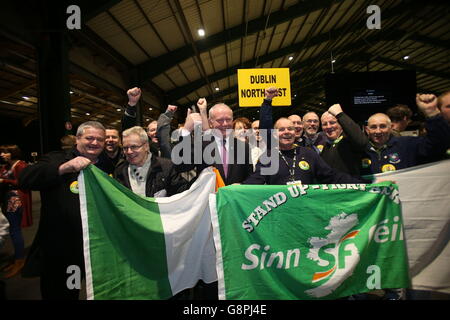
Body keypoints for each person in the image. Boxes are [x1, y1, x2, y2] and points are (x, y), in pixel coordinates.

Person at [19, 121, 109, 299]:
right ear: (78, 138)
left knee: (100, 292)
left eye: (100, 139)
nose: (95, 143)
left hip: (98, 249)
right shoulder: (57, 159)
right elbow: (25, 179)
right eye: (89, 138)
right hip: (66, 253)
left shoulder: (107, 165)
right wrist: (62, 169)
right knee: (67, 292)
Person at [244, 118, 368, 185]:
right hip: (279, 213)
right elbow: (256, 181)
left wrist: (362, 183)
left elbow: (331, 176)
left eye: (290, 129)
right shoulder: (268, 157)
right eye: (281, 129)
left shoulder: (309, 154)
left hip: (306, 211)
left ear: (295, 133)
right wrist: (237, 189)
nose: (286, 132)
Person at [362, 96, 450, 174]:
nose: (378, 131)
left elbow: (438, 144)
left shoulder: (408, 144)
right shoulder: (359, 149)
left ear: (390, 127)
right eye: (373, 127)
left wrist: (432, 114)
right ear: (367, 130)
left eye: (383, 126)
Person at [175, 102, 253, 185]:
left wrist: (242, 185)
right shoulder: (201, 144)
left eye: (228, 119)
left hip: (235, 196)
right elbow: (182, 166)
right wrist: (186, 131)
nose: (225, 124)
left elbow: (250, 175)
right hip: (209, 196)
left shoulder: (243, 146)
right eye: (220, 120)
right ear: (210, 122)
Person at [114, 126, 190, 197]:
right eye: (125, 148)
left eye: (134, 147)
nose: (129, 152)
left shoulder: (166, 167)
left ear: (146, 146)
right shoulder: (120, 170)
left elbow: (182, 193)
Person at [0, 145, 32, 278]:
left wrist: (4, 180)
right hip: (8, 200)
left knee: (14, 229)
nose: (2, 154)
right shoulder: (8, 166)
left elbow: (23, 182)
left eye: (6, 152)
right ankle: (17, 259)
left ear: (13, 153)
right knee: (13, 230)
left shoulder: (21, 165)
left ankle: (20, 260)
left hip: (16, 201)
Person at [122, 87, 176, 159]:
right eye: (152, 130)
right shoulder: (144, 147)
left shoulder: (173, 147)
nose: (156, 132)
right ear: (147, 133)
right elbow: (128, 129)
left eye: (158, 129)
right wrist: (132, 104)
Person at [320, 104, 368, 177]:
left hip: (351, 187)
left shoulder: (348, 139)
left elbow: (362, 142)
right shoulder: (325, 146)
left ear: (341, 123)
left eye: (332, 122)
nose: (328, 126)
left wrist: (340, 114)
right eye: (324, 124)